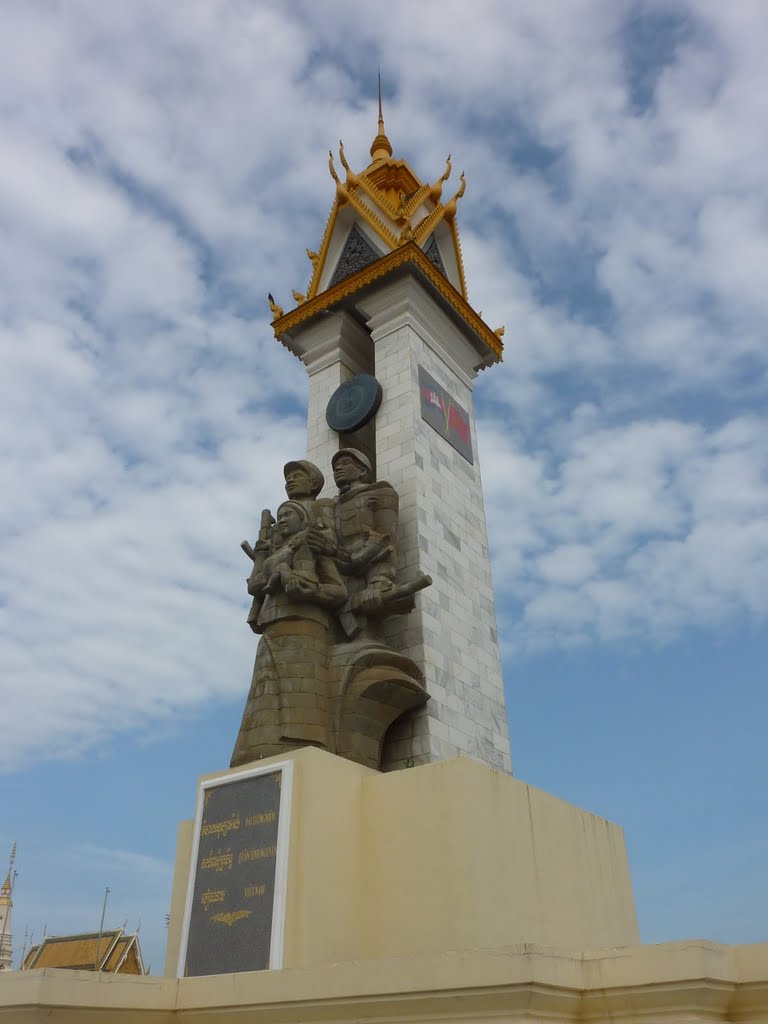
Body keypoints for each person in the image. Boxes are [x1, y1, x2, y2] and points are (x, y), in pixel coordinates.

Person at [230, 498, 346, 766]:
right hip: (272, 625)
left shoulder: (312, 545)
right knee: (264, 691)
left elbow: (338, 590)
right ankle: (260, 751)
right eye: (279, 515)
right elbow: (256, 585)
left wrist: (311, 590)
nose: (281, 519)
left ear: (303, 518)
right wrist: (267, 561)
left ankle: (308, 746)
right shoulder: (275, 553)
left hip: (305, 626)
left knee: (302, 693)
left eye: (288, 515)